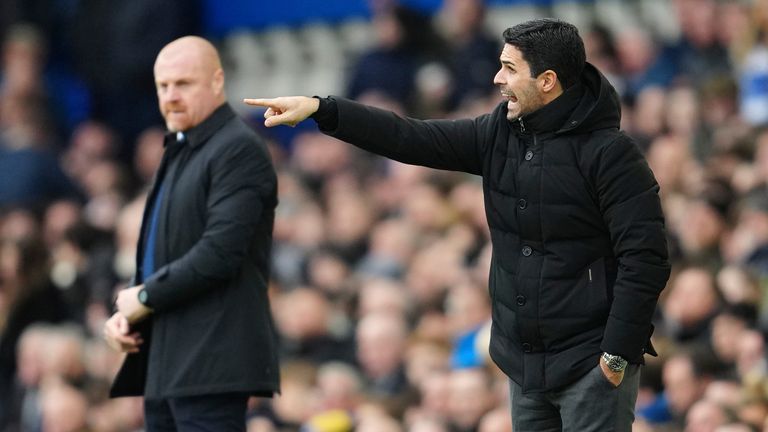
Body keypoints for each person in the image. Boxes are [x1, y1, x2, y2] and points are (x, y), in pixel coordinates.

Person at [246, 18, 670, 431]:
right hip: (524, 365)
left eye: (509, 68)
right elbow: (410, 137)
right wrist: (324, 109)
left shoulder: (611, 154)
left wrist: (615, 354)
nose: (496, 79)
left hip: (590, 364)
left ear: (547, 81)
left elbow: (646, 257)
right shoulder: (499, 132)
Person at [104, 36, 279, 431]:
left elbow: (221, 252)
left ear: (217, 82)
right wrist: (130, 310)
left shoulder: (238, 148)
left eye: (183, 84)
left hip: (211, 363)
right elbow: (163, 249)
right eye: (163, 86)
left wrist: (145, 296)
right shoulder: (179, 148)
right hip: (164, 360)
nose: (171, 96)